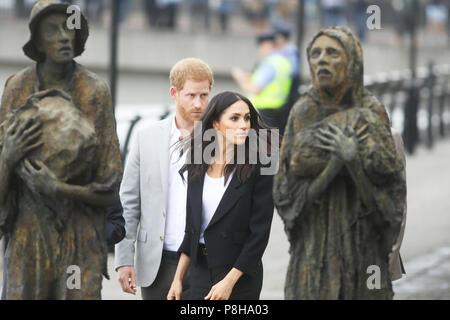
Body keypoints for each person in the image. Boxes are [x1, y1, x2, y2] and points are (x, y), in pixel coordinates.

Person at [0, 0, 122, 300]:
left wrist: (59, 188)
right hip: (28, 235)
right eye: (53, 30)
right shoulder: (17, 87)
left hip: (78, 234)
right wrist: (7, 159)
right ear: (38, 41)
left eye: (69, 28)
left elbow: (109, 187)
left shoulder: (94, 92)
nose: (64, 36)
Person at [273, 27, 406, 300]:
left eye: (332, 53)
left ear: (352, 61)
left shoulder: (371, 111)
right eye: (315, 54)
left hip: (362, 250)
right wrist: (334, 164)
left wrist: (354, 163)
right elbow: (287, 194)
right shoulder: (303, 112)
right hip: (313, 253)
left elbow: (390, 197)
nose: (322, 60)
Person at [115, 58, 214, 300]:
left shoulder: (221, 140)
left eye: (204, 95)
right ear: (174, 93)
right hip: (157, 264)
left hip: (206, 263)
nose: (198, 103)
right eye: (191, 95)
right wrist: (124, 260)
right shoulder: (145, 137)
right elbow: (129, 203)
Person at [167, 91, 276, 300]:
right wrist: (178, 278)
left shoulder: (260, 167)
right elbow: (192, 229)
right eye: (234, 118)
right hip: (200, 273)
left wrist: (228, 282)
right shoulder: (197, 164)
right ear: (216, 123)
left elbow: (259, 236)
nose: (244, 124)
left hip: (239, 277)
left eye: (247, 118)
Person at [232, 32, 292, 135]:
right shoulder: (283, 62)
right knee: (274, 145)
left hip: (265, 113)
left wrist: (240, 78)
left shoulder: (269, 64)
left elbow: (255, 89)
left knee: (264, 147)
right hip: (279, 111)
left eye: (260, 46)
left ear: (267, 45)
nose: (259, 50)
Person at [273, 23, 301, 133]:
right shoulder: (281, 50)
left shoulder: (289, 51)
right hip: (280, 95)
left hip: (287, 94)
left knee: (281, 125)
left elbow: (292, 71)